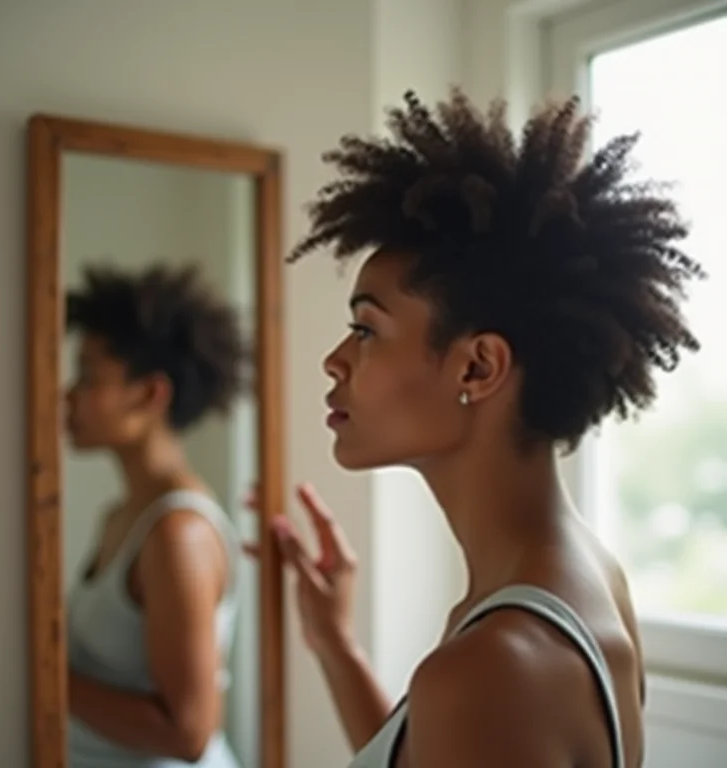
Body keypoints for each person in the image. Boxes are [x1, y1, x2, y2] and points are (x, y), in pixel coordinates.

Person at [253, 90, 704, 767]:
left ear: (478, 366)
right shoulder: (577, 580)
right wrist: (335, 644)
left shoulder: (497, 664)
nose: (334, 359)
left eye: (365, 329)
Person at [65, 263, 247, 768]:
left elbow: (188, 733)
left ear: (149, 394)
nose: (67, 395)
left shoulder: (178, 534)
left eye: (87, 376)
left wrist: (41, 672)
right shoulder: (122, 515)